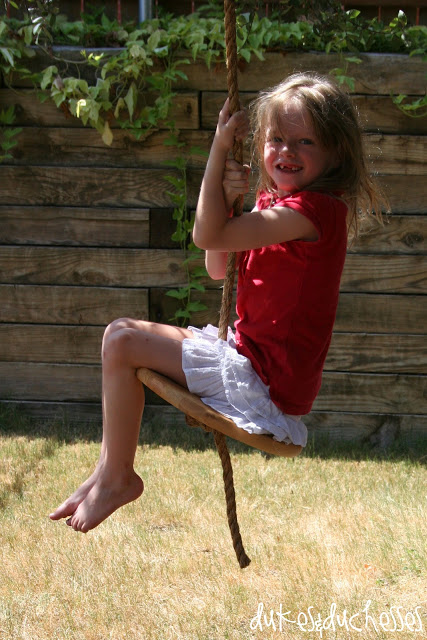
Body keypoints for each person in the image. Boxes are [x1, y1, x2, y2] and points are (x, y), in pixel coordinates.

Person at [50, 72, 385, 533]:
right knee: (118, 336)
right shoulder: (279, 206)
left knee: (122, 341)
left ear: (336, 153)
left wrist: (218, 149)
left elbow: (205, 236)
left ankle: (118, 476)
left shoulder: (313, 212)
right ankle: (109, 469)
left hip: (263, 383)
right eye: (276, 139)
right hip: (248, 357)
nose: (286, 151)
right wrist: (228, 201)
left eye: (305, 141)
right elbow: (217, 263)